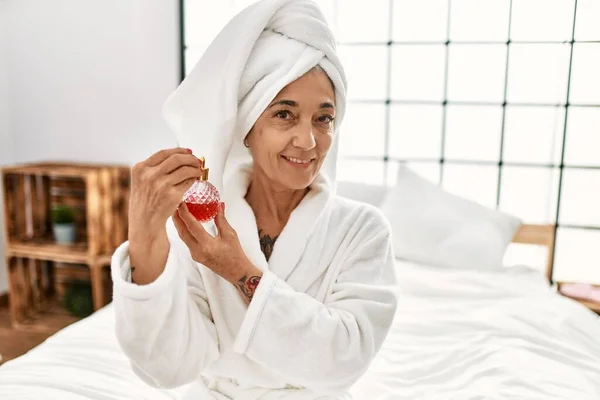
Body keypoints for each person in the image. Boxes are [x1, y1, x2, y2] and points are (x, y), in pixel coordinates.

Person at [111, 0, 397, 398]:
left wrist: (238, 270)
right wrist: (144, 235)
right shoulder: (200, 225)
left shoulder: (362, 230)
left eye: (324, 118)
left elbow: (344, 358)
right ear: (247, 127)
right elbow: (168, 366)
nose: (308, 140)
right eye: (284, 114)